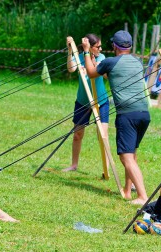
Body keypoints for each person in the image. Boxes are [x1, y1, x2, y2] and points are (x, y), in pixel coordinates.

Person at [82, 30, 150, 204]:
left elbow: (91, 72)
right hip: (144, 113)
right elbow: (112, 74)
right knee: (131, 154)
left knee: (126, 157)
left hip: (127, 115)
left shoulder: (110, 62)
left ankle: (142, 196)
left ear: (114, 46)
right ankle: (127, 191)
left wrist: (86, 51)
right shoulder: (138, 62)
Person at [63, 34, 109, 172]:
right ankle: (74, 165)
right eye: (98, 46)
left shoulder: (101, 58)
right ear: (89, 46)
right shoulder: (79, 57)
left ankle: (106, 168)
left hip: (101, 102)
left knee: (102, 135)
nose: (100, 48)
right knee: (77, 135)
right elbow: (71, 69)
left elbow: (100, 72)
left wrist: (92, 63)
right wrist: (70, 50)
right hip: (83, 101)